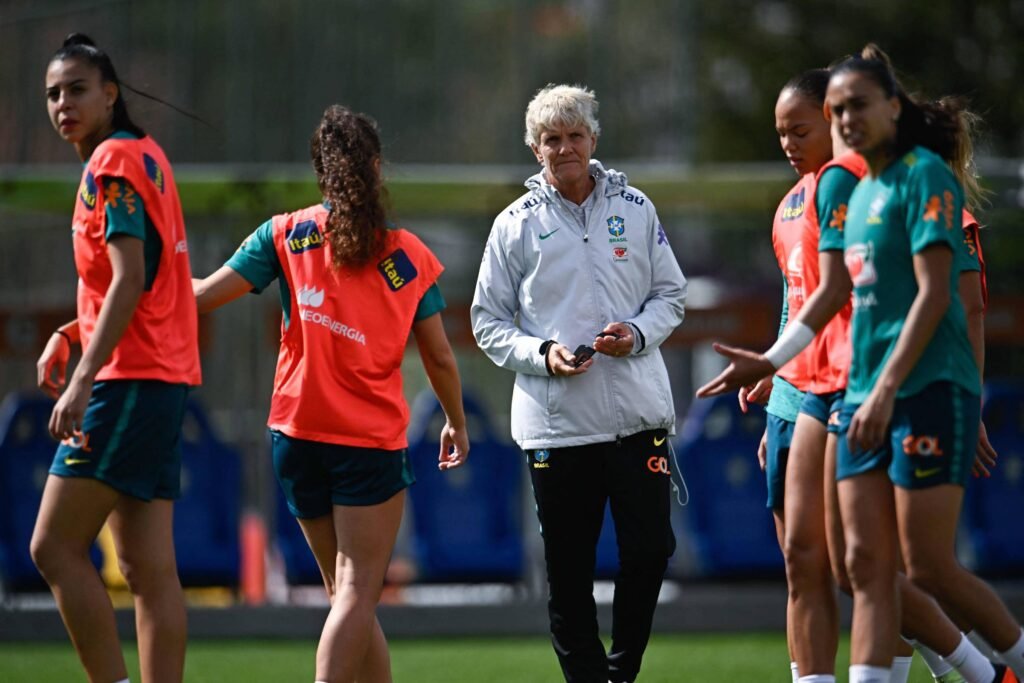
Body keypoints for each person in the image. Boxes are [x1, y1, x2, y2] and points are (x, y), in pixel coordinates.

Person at [697, 46, 1024, 683]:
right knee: (848, 566)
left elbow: (945, 300)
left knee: (919, 566)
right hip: (837, 393)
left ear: (891, 109)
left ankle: (989, 672)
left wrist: (916, 390)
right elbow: (818, 297)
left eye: (852, 107)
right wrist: (773, 365)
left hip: (908, 389)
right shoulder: (836, 194)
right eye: (837, 110)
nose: (843, 121)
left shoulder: (922, 181)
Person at [192, 104, 469, 683]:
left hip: (295, 437)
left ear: (320, 171)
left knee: (348, 596)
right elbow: (440, 357)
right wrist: (456, 421)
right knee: (357, 592)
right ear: (376, 167)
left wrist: (134, 271)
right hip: (366, 443)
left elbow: (198, 297)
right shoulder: (405, 255)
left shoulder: (283, 233)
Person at [471, 84, 687, 683]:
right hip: (558, 428)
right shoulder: (513, 224)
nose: (565, 148)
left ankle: (620, 672)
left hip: (638, 418)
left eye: (574, 136)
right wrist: (543, 354)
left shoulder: (636, 208)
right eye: (551, 139)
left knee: (650, 551)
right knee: (568, 573)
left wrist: (636, 334)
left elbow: (671, 295)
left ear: (593, 139)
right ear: (535, 149)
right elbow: (487, 322)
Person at [32, 33, 201, 683]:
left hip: (129, 381)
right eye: (53, 94)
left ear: (111, 94)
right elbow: (143, 284)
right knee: (147, 570)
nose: (63, 104)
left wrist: (82, 379)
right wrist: (72, 330)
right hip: (160, 381)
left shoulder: (113, 162)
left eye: (77, 89)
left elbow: (130, 280)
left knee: (53, 547)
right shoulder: (146, 155)